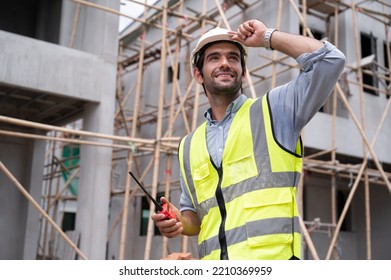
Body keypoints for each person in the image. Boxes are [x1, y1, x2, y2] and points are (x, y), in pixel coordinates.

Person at [151, 19, 346, 260]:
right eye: (214, 58)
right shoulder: (188, 146)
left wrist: (268, 37)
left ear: (243, 73)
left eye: (233, 57)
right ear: (198, 75)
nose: (225, 63)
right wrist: (178, 221)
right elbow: (197, 218)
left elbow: (330, 60)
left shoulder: (275, 111)